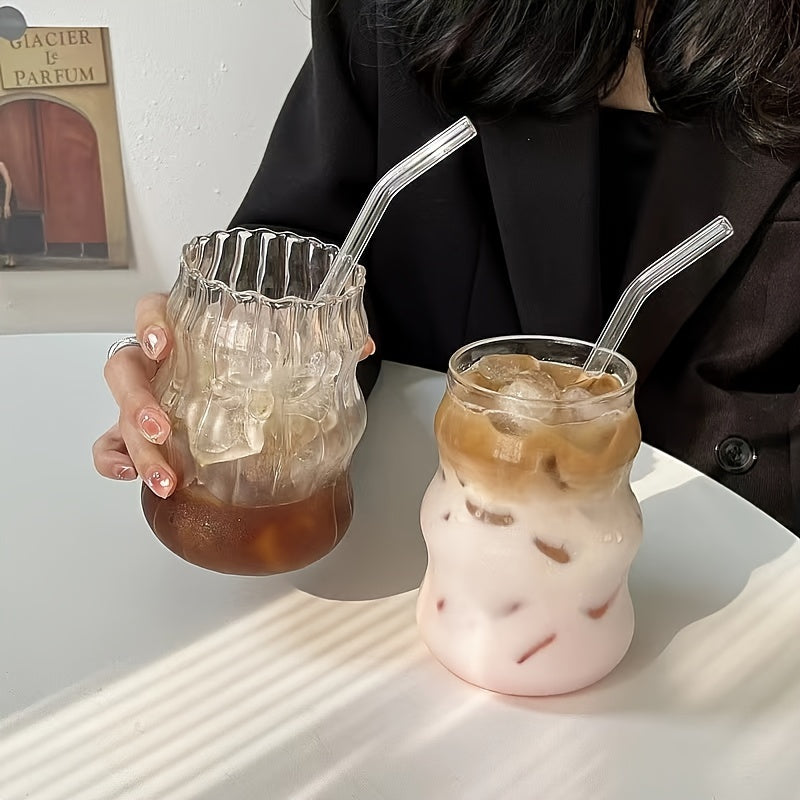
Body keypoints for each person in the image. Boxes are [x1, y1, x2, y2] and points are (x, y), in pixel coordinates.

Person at [94, 0, 800, 533]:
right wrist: (226, 361)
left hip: (745, 565)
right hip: (429, 541)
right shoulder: (395, 13)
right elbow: (310, 250)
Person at [0, 160, 17, 267]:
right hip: (0, 201)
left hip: (7, 200)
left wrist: (6, 204)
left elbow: (9, 184)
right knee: (2, 231)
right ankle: (8, 257)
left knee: (7, 229)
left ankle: (12, 258)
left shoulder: (0, 165)